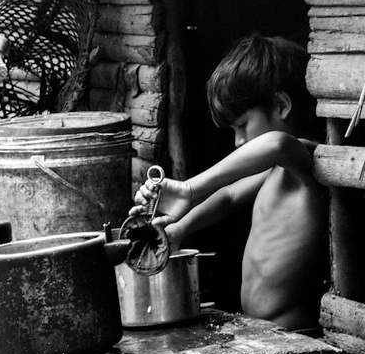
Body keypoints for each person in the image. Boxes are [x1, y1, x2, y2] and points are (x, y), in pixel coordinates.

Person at [130, 34, 327, 331]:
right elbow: (229, 196)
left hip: (298, 334)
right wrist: (177, 231)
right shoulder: (277, 170)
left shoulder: (305, 160)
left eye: (242, 125)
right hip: (265, 333)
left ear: (281, 105)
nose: (238, 142)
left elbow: (277, 143)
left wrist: (190, 188)